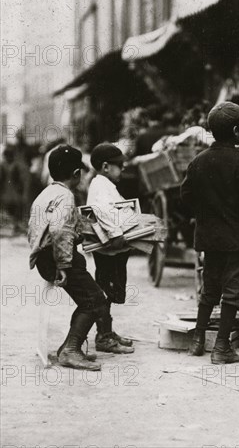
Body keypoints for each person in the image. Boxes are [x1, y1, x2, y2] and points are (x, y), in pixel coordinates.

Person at [181, 102, 239, 364]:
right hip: (238, 240)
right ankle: (221, 348)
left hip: (210, 238)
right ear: (238, 131)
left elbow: (185, 198)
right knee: (233, 290)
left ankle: (197, 341)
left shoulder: (197, 162)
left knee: (210, 288)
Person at [27, 145, 111, 370]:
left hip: (45, 257)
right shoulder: (66, 196)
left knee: (89, 297)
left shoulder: (46, 193)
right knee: (96, 301)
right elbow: (60, 231)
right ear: (76, 174)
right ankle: (70, 350)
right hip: (57, 260)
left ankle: (70, 346)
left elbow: (37, 228)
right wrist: (64, 264)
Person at [87, 143, 136, 354]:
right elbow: (101, 209)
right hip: (108, 249)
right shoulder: (99, 185)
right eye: (119, 165)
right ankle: (103, 336)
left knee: (112, 289)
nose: (122, 169)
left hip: (114, 250)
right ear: (106, 166)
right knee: (105, 290)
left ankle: (107, 330)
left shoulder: (106, 184)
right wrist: (116, 233)